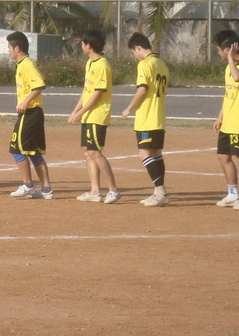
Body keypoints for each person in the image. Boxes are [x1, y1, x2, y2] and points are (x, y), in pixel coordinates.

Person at [67, 29, 120, 204]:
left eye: (83, 43)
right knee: (87, 152)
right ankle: (95, 191)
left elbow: (97, 93)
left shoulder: (102, 65)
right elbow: (86, 90)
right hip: (88, 115)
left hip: (97, 115)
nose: (81, 46)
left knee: (94, 152)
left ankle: (113, 190)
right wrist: (76, 110)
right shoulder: (90, 63)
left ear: (89, 45)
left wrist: (80, 113)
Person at [120, 33, 171, 206]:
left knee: (144, 153)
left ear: (138, 48)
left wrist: (128, 108)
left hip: (147, 117)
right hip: (159, 116)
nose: (134, 56)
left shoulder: (144, 64)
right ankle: (159, 192)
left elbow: (142, 90)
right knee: (156, 153)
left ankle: (161, 192)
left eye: (133, 52)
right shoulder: (162, 64)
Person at [6, 31, 53, 199]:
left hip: (30, 113)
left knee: (16, 149)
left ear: (17, 48)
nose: (8, 51)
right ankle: (46, 190)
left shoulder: (27, 64)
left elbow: (39, 85)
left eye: (9, 47)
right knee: (33, 152)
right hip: (33, 113)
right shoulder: (22, 65)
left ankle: (28, 185)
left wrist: (25, 102)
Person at [212, 29, 239, 208]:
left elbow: (238, 77)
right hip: (228, 123)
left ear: (228, 49)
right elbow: (228, 95)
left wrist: (231, 59)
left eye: (219, 50)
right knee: (223, 157)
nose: (218, 53)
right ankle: (232, 194)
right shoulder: (227, 69)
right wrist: (220, 118)